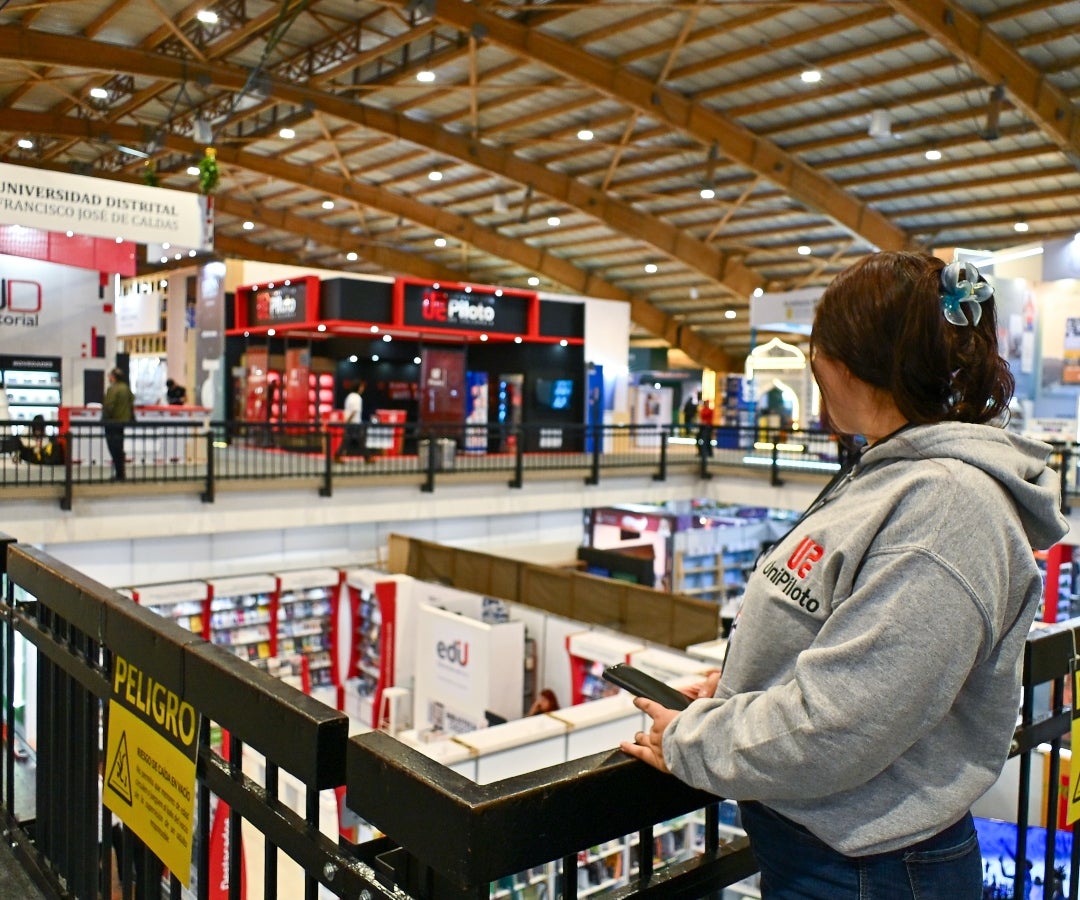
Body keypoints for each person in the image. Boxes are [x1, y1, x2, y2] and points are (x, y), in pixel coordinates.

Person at [619, 251, 1070, 900]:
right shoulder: (894, 473)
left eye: (818, 346)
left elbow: (846, 723)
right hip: (838, 853)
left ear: (856, 364)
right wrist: (749, 679)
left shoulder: (944, 510)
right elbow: (868, 649)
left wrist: (694, 739)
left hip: (871, 869)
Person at [103, 367, 135, 481]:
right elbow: (132, 401)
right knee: (119, 447)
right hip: (122, 422)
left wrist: (104, 419)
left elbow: (108, 406)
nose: (109, 378)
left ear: (114, 377)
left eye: (110, 376)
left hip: (112, 422)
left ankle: (119, 474)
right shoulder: (126, 388)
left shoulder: (113, 389)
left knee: (113, 448)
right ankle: (121, 473)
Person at [334, 380, 367, 461]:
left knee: (349, 440)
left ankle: (338, 455)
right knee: (359, 440)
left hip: (349, 423)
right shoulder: (357, 397)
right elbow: (354, 411)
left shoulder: (349, 396)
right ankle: (367, 457)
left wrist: (346, 421)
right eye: (361, 387)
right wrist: (348, 420)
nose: (362, 389)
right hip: (355, 423)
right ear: (358, 388)